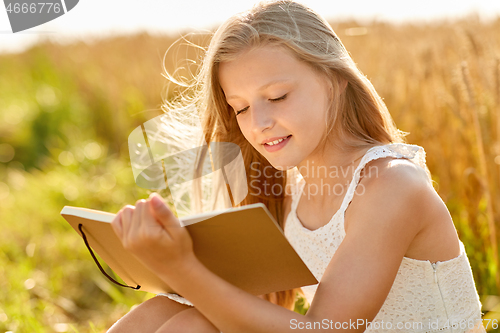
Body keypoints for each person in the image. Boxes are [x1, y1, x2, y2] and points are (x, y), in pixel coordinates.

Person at [107, 0, 487, 332]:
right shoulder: (289, 190)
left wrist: (181, 269)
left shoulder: (391, 186)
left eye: (277, 96)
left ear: (335, 80)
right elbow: (264, 311)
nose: (258, 122)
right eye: (239, 107)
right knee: (172, 313)